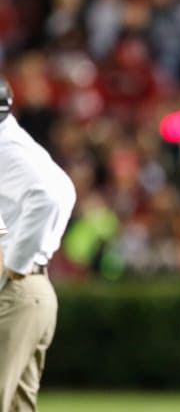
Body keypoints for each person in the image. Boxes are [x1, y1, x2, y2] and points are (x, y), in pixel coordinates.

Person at [0, 76, 76, 412]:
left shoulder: (8, 149)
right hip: (28, 290)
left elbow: (51, 195)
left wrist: (15, 264)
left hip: (15, 291)